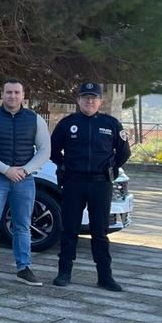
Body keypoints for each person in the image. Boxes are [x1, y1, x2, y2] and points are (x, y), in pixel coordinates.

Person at [50, 82, 131, 291]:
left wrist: (110, 167)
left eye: (94, 98)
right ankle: (64, 273)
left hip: (100, 184)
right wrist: (63, 166)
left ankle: (105, 276)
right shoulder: (67, 124)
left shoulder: (111, 124)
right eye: (85, 97)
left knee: (100, 232)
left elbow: (124, 152)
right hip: (73, 183)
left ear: (100, 101)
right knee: (69, 230)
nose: (90, 101)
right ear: (78, 101)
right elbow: (53, 150)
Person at [0, 79, 50, 285]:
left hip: (24, 180)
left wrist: (25, 170)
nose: (13, 96)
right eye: (9, 92)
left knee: (23, 226)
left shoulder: (35, 119)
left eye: (17, 92)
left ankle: (24, 268)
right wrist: (5, 170)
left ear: (23, 95)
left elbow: (45, 150)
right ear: (3, 94)